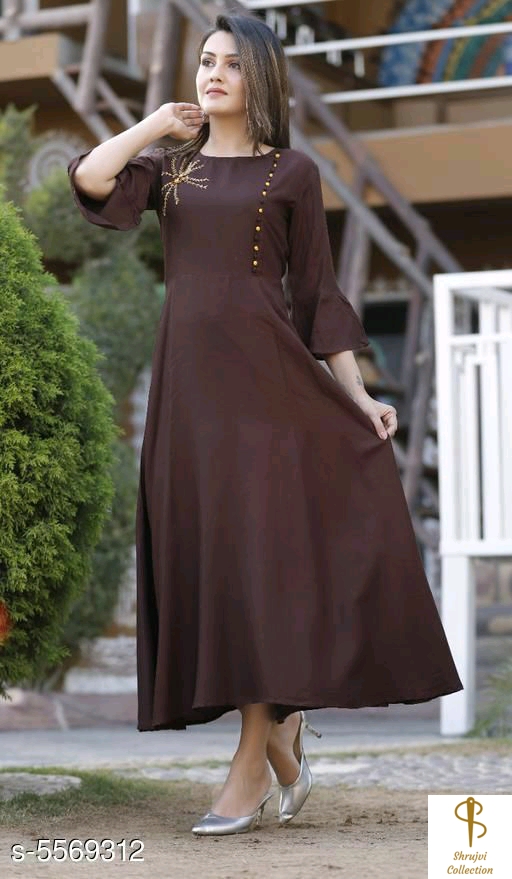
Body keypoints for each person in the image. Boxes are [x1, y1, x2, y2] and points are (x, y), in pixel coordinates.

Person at [68, 12, 463, 837]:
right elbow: (95, 180)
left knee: (257, 567)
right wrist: (155, 122)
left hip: (270, 396)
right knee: (213, 564)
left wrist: (356, 395)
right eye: (204, 61)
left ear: (261, 78)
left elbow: (318, 294)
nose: (211, 73)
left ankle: (250, 762)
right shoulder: (172, 167)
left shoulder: (293, 172)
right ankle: (283, 731)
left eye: (230, 64)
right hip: (189, 401)